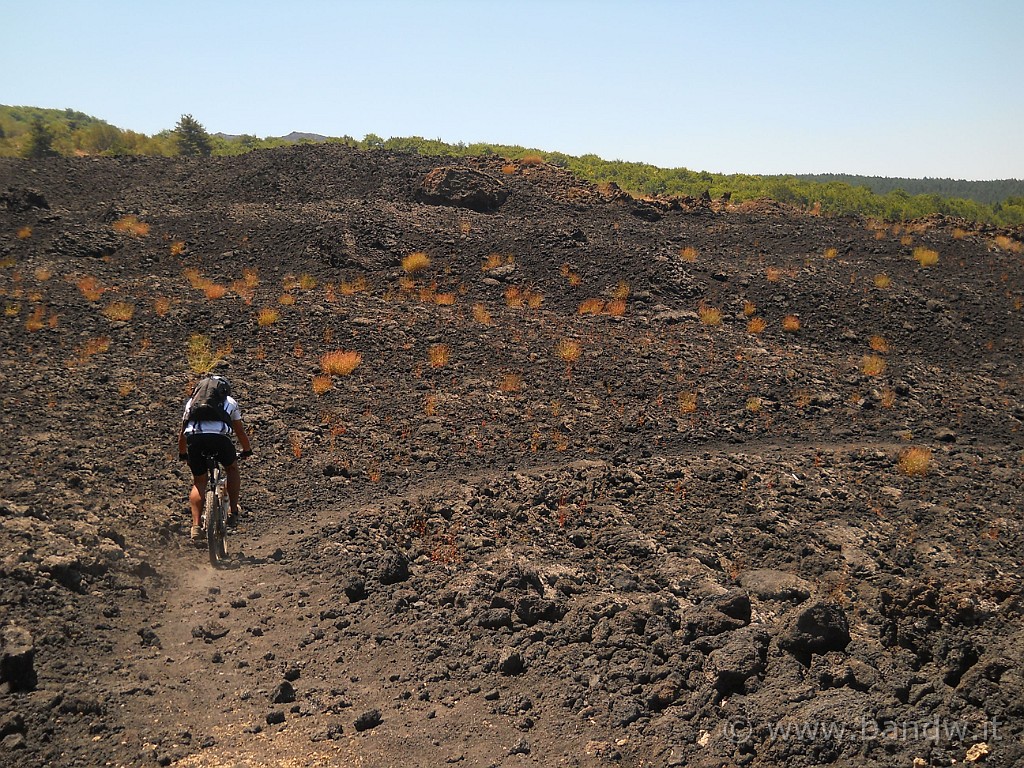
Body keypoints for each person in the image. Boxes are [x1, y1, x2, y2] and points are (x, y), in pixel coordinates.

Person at [177, 374, 253, 544]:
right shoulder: (230, 402)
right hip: (220, 440)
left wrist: (183, 453)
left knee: (199, 482)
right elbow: (239, 431)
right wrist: (247, 450)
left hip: (195, 440)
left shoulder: (191, 403)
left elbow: (182, 432)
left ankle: (196, 526)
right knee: (232, 468)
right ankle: (233, 511)